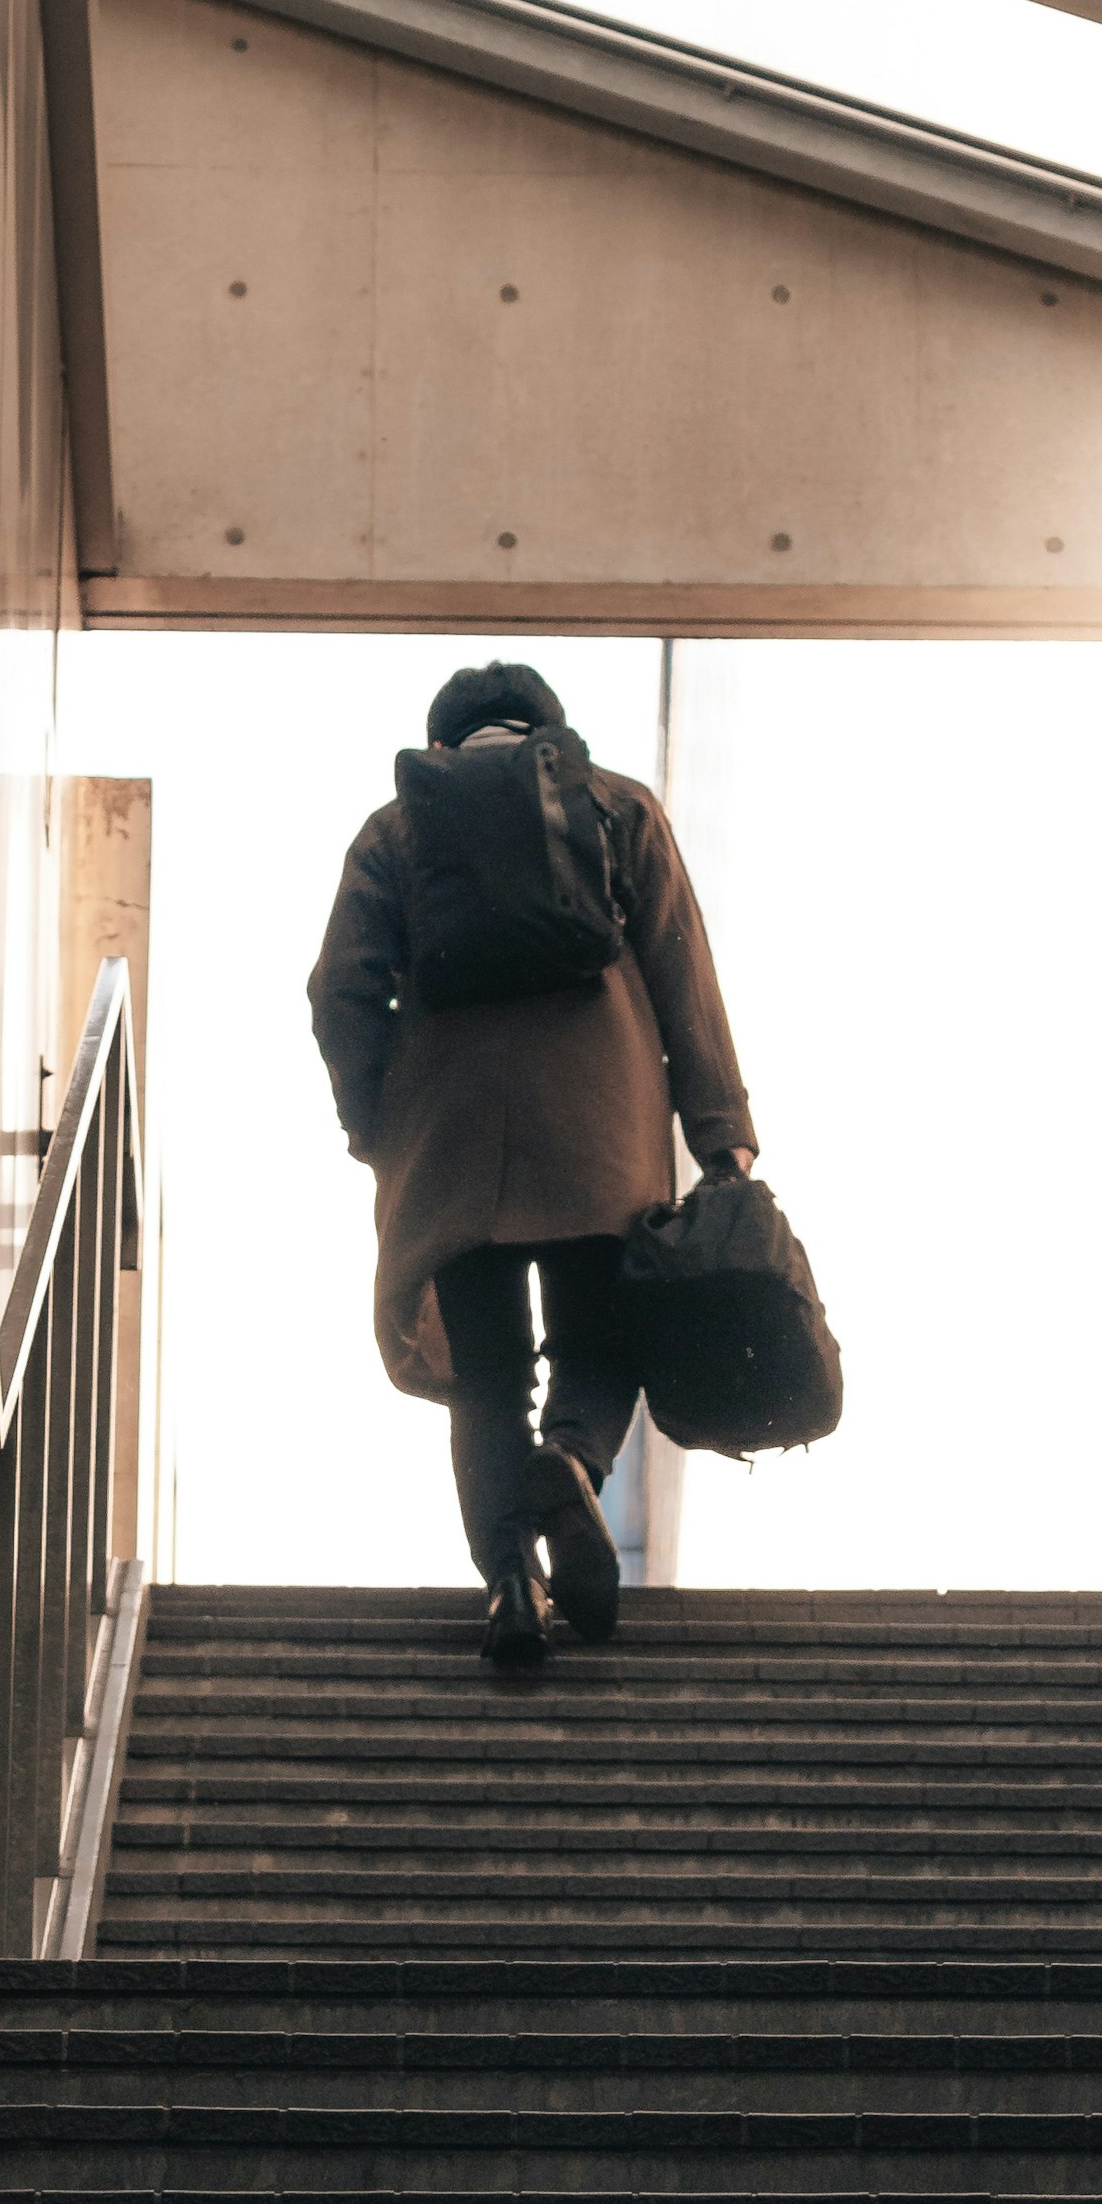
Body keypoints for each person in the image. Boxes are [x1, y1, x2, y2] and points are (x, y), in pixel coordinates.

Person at [310, 662, 759, 1664]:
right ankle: (571, 1458)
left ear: (443, 747)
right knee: (602, 1345)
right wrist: (719, 1130)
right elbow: (684, 970)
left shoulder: (395, 832)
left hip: (452, 1143)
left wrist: (372, 1122)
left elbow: (340, 990)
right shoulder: (619, 809)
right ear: (550, 733)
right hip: (601, 1130)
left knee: (487, 1378)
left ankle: (514, 1587)